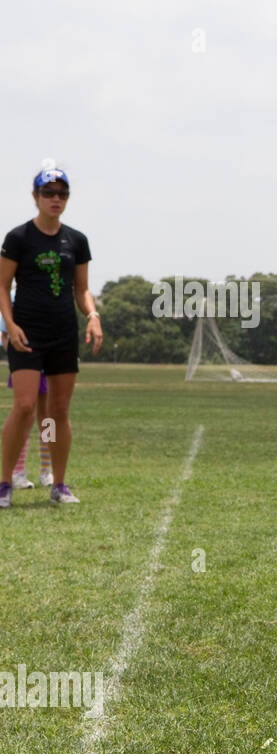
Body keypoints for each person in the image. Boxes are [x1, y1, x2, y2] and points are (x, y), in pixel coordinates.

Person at [0, 168, 103, 508]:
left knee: (56, 411)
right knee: (26, 405)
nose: (56, 199)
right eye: (49, 193)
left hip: (62, 335)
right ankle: (5, 482)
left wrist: (92, 316)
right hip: (27, 334)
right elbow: (2, 286)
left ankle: (56, 482)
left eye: (62, 193)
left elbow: (82, 289)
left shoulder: (76, 240)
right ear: (35, 197)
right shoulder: (18, 238)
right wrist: (9, 325)